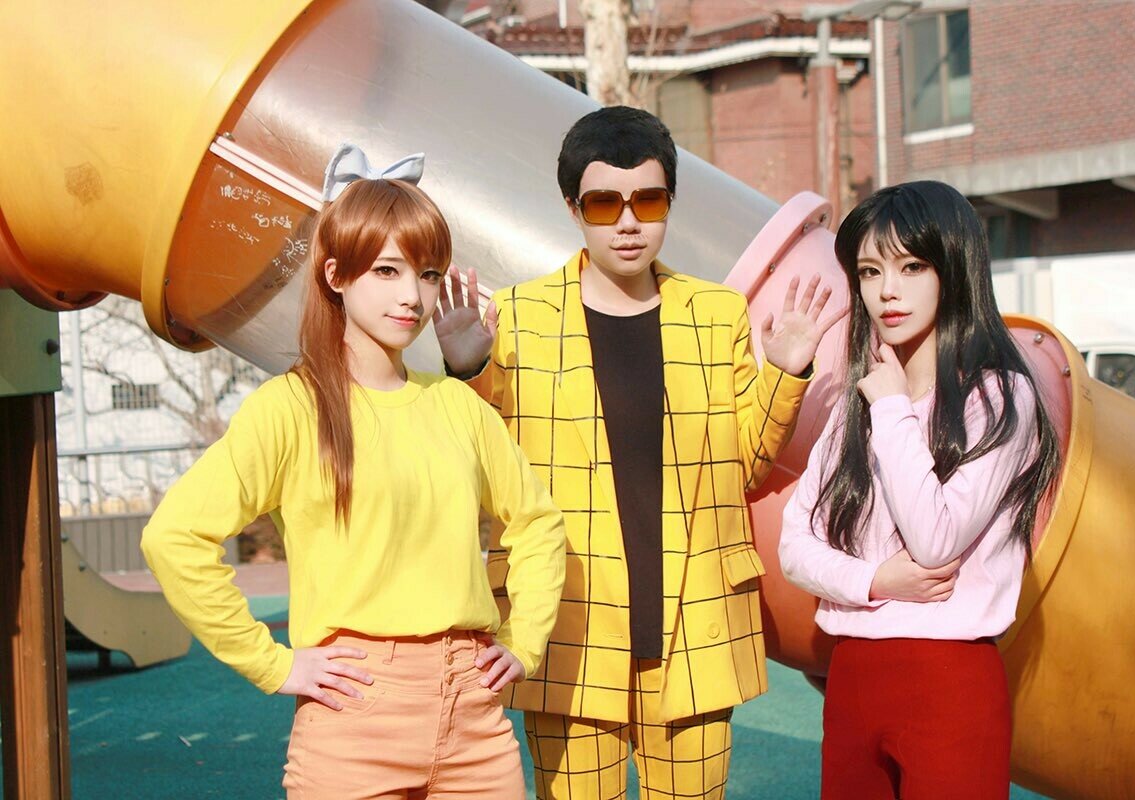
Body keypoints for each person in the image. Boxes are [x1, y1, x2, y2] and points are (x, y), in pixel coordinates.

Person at [435, 106, 841, 799]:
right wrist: (469, 370)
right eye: (605, 204)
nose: (628, 222)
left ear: (669, 203)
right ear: (574, 208)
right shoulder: (519, 319)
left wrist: (785, 372)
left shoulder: (716, 315)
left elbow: (743, 465)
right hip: (569, 622)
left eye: (647, 201)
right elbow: (490, 472)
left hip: (694, 626)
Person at [141, 147, 566, 799]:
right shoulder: (290, 408)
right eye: (387, 270)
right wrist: (271, 664)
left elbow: (539, 525)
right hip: (353, 715)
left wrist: (524, 641)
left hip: (475, 714)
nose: (411, 295)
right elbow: (173, 538)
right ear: (336, 274)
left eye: (427, 274)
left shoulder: (456, 405)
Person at [777, 180, 1062, 800]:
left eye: (911, 267)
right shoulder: (857, 407)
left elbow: (935, 540)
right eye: (870, 271)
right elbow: (794, 547)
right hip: (853, 675)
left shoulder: (1000, 397)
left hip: (950, 680)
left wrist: (892, 408)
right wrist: (875, 581)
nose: (887, 290)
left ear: (953, 268)